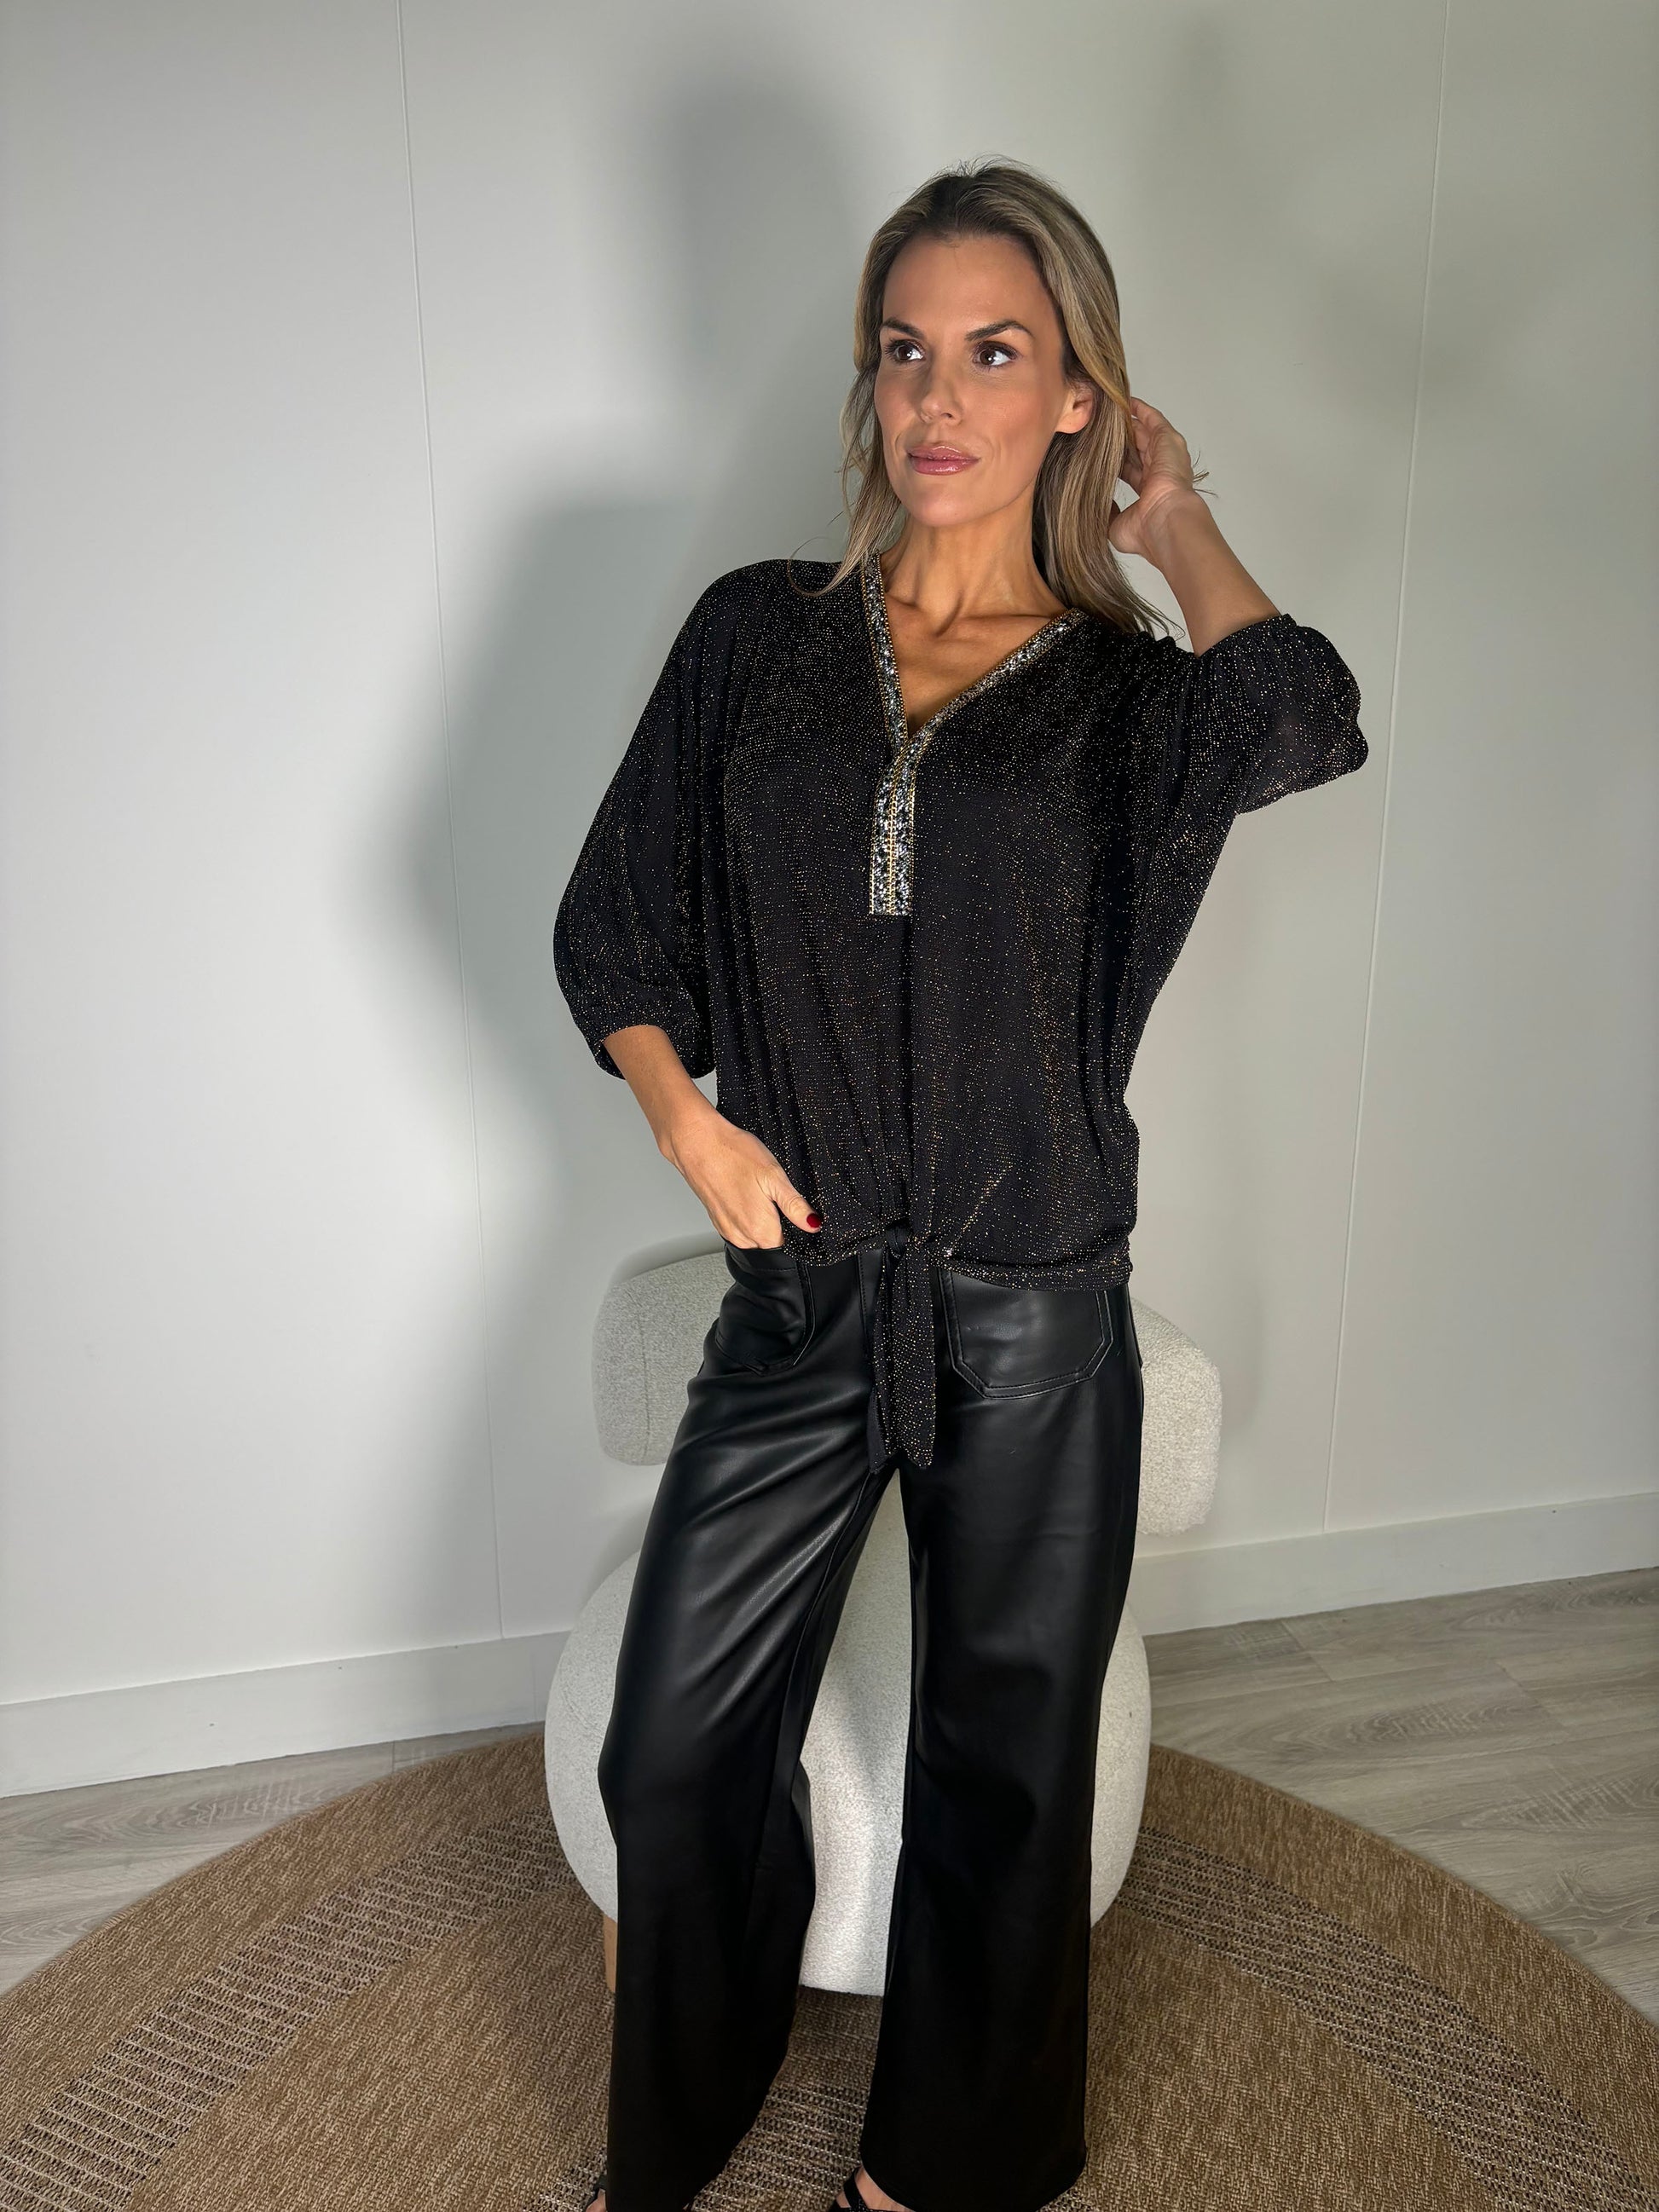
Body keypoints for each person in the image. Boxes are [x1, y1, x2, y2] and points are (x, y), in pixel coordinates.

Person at [553, 157, 1367, 2212]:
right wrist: (685, 1120)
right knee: (673, 1742)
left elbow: (1302, 715)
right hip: (801, 1282)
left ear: (1078, 392)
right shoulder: (758, 636)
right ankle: (700, 2092)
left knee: (1007, 1765)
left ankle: (938, 2165)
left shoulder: (1127, 698)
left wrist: (1170, 518)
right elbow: (617, 915)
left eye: (997, 352)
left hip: (1030, 1301)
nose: (938, 394)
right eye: (904, 349)